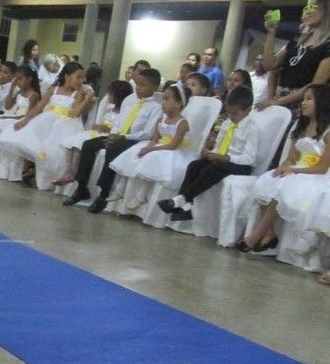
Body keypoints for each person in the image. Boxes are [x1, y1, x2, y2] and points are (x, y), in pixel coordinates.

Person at [238, 85, 330, 255]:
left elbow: (323, 167)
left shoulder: (327, 131)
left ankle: (255, 236)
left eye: (309, 99)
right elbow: (291, 158)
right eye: (303, 99)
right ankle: (270, 234)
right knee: (267, 180)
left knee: (283, 187)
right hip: (298, 169)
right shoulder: (301, 127)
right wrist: (284, 167)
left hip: (316, 174)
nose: (303, 103)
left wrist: (295, 170)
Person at [63, 68, 161, 208]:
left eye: (143, 85)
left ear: (155, 87)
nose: (138, 88)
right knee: (88, 145)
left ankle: (104, 193)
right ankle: (81, 188)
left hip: (133, 140)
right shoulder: (130, 100)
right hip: (117, 136)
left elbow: (147, 133)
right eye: (137, 84)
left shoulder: (156, 107)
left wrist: (122, 137)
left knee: (112, 149)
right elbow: (120, 121)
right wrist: (113, 134)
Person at [158, 85, 259, 222]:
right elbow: (219, 145)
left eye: (235, 114)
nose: (231, 116)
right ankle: (186, 206)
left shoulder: (252, 129)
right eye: (228, 113)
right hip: (222, 159)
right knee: (195, 165)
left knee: (212, 169)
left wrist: (225, 157)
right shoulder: (227, 124)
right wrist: (211, 153)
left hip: (240, 164)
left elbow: (250, 158)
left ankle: (181, 199)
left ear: (247, 110)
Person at [0, 61, 95, 189]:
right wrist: (25, 121)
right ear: (67, 76)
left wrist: (87, 99)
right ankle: (31, 171)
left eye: (83, 77)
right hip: (47, 121)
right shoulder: (53, 90)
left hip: (66, 125)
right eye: (78, 77)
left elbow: (76, 113)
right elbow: (38, 108)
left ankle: (47, 179)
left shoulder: (78, 94)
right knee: (34, 142)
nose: (82, 81)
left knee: (54, 152)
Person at [109, 83, 193, 211]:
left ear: (178, 104)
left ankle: (141, 195)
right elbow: (155, 138)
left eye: (167, 99)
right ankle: (121, 187)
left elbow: (173, 145)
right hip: (158, 145)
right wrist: (147, 147)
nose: (163, 102)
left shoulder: (182, 123)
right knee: (135, 153)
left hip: (170, 150)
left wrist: (151, 149)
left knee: (151, 158)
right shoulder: (162, 119)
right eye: (163, 98)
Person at [257, 0, 330, 113]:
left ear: (326, 10)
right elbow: (270, 65)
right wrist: (271, 32)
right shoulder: (296, 41)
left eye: (313, 6)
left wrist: (276, 102)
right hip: (279, 102)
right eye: (306, 6)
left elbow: (315, 86)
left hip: (304, 107)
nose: (307, 11)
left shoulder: (327, 46)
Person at [55, 79, 133, 187]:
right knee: (70, 142)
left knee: (81, 144)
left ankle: (73, 173)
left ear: (119, 95)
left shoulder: (125, 112)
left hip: (107, 135)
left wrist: (108, 129)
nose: (107, 95)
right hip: (97, 132)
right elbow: (98, 123)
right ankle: (68, 171)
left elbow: (122, 129)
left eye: (110, 93)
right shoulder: (109, 110)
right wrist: (98, 126)